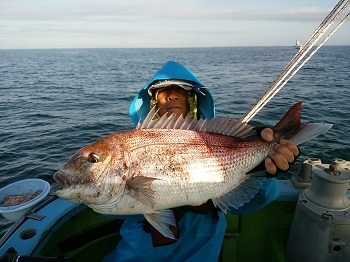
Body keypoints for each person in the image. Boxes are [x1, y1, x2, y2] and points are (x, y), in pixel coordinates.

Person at [103, 61, 299, 261]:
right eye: (162, 90)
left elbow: (254, 202)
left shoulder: (215, 138)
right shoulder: (132, 146)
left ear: (193, 99)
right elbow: (109, 206)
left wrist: (261, 168)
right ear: (153, 101)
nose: (171, 94)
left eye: (181, 89)